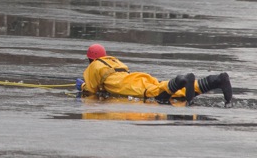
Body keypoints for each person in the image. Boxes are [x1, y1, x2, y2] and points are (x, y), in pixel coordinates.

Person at [76, 43, 233, 107]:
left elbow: (91, 89)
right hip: (137, 77)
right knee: (171, 91)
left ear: (90, 58)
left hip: (127, 85)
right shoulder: (114, 61)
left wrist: (81, 86)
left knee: (155, 94)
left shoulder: (93, 66)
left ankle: (181, 79)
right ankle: (214, 80)